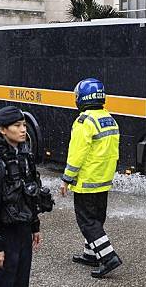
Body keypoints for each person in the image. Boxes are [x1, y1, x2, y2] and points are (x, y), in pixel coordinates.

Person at [59, 78, 122, 278]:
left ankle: (108, 257)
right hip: (103, 180)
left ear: (81, 98)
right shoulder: (109, 118)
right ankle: (91, 254)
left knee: (87, 222)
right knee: (96, 218)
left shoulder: (84, 122)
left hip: (87, 182)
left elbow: (76, 154)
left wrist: (67, 179)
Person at [0, 106, 43, 287]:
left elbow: (30, 194)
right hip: (5, 234)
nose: (23, 129)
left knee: (21, 281)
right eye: (17, 125)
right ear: (2, 130)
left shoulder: (25, 155)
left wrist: (34, 225)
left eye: (23, 125)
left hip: (23, 231)